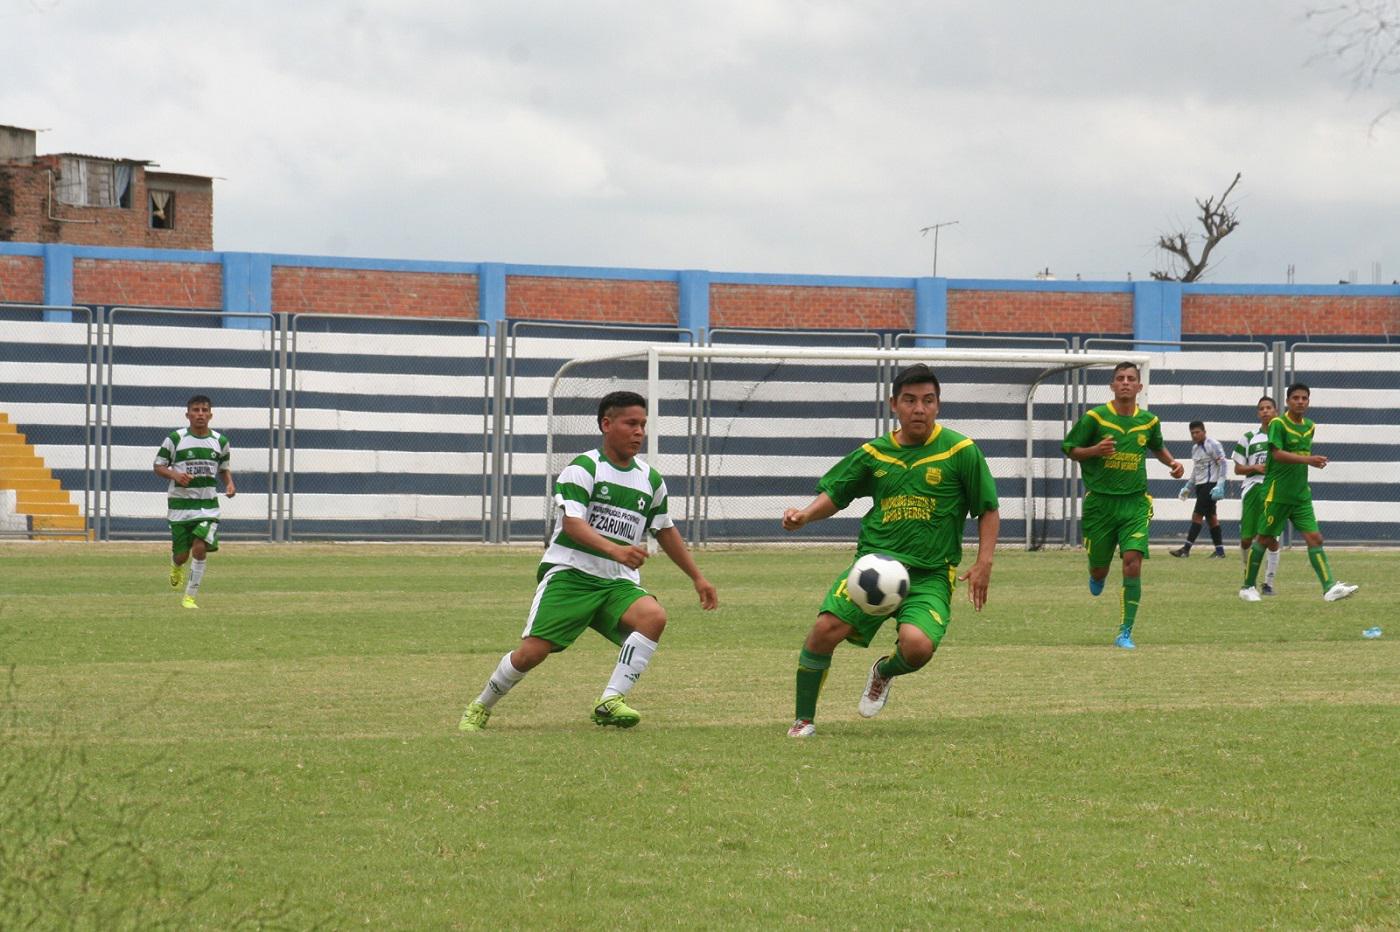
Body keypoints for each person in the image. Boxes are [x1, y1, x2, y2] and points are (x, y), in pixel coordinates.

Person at [459, 391, 718, 732]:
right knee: (531, 653)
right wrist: (616, 550)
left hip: (616, 582)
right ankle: (481, 705)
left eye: (643, 425)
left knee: (653, 616)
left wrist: (697, 577)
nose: (639, 432)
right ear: (606, 424)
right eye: (631, 423)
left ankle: (610, 700)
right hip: (571, 576)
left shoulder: (650, 479)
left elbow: (665, 529)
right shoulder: (584, 468)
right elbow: (573, 524)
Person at [780, 363, 999, 739]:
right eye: (910, 401)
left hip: (930, 573)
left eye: (928, 401)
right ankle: (803, 720)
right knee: (824, 630)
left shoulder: (961, 451)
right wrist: (805, 515)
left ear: (938, 405)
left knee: (917, 648)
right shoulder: (874, 454)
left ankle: (884, 671)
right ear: (894, 404)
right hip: (875, 566)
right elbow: (837, 493)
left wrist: (984, 562)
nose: (919, 409)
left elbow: (988, 509)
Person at [1063, 362, 1185, 650]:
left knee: (1133, 561)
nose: (1126, 382)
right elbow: (1070, 449)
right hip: (1100, 504)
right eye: (1120, 378)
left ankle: (1125, 632)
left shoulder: (1149, 422)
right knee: (1099, 570)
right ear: (1112, 385)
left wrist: (1172, 463)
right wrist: (1095, 450)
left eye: (1131, 378)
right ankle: (1097, 572)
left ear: (1139, 387)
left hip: (1135, 503)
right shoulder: (1095, 418)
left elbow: (1156, 446)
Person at [1238, 383, 1358, 603]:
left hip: (1301, 494)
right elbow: (1277, 454)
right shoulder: (1278, 423)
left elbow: (1300, 458)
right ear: (1287, 401)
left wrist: (1310, 463)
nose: (1300, 401)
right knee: (1264, 538)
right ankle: (1247, 587)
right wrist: (1309, 460)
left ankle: (1329, 588)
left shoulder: (1310, 426)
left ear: (1308, 401)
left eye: (1304, 398)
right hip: (1277, 493)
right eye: (1296, 398)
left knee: (1315, 538)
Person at [152, 394, 236, 609]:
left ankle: (189, 597)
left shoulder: (220, 442)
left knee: (199, 547)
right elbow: (158, 466)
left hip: (207, 506)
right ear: (187, 414)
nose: (200, 414)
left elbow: (224, 468)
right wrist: (175, 475)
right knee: (181, 555)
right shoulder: (175, 439)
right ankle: (176, 566)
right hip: (180, 506)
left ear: (210, 415)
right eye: (196, 410)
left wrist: (229, 483)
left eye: (204, 410)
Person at [1232, 396, 1283, 594]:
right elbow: (1238, 469)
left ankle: (1268, 583)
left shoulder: (1283, 436)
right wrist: (1254, 467)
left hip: (1274, 489)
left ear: (1276, 411)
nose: (1265, 411)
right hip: (1252, 488)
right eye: (1261, 408)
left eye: (1269, 408)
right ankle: (1248, 575)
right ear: (1258, 413)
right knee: (1247, 538)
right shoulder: (1249, 437)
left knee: (1271, 538)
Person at [1169, 420, 1229, 558]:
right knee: (1211, 518)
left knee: (1197, 516)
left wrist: (1220, 484)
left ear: (1204, 432)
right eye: (1192, 433)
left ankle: (1186, 549)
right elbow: (1196, 470)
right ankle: (1220, 552)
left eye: (1197, 432)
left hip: (1210, 485)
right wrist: (1188, 487)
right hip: (1200, 486)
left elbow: (1223, 464)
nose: (1195, 435)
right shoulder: (1195, 449)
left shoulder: (1213, 444)